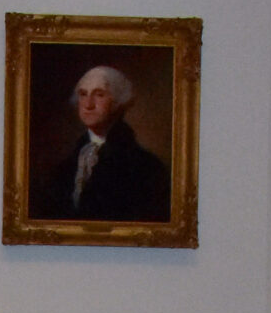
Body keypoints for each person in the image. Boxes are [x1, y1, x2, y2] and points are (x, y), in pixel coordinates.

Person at [32, 65, 171, 223]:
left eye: (99, 95)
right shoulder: (64, 168)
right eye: (83, 94)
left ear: (118, 101)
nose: (88, 104)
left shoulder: (147, 168)